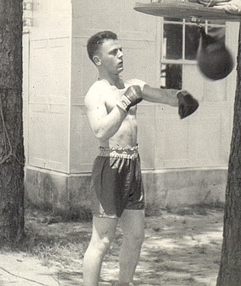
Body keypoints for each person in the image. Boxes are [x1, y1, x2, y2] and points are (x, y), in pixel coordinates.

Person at [82, 30, 199, 286]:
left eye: (121, 49)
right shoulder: (96, 93)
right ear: (98, 60)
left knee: (136, 236)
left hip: (132, 166)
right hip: (109, 165)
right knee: (102, 240)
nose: (121, 54)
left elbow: (162, 95)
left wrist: (181, 96)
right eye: (113, 52)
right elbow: (100, 131)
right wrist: (124, 103)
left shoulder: (133, 85)